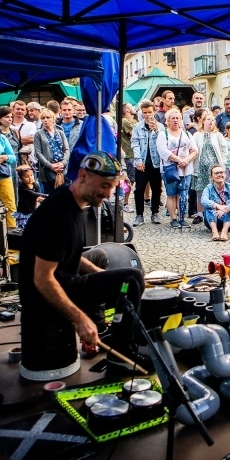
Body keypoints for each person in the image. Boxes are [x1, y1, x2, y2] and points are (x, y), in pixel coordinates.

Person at [18, 151, 148, 374]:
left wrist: (98, 273)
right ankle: (123, 353)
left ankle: (113, 331)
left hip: (65, 278)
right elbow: (42, 279)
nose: (108, 194)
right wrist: (80, 319)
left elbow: (66, 252)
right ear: (83, 175)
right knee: (132, 279)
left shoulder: (71, 200)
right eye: (104, 185)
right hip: (44, 295)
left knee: (105, 263)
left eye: (112, 187)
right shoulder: (59, 214)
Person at [157, 109, 198, 229]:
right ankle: (173, 218)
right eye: (173, 118)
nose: (175, 120)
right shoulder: (163, 134)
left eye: (177, 118)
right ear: (167, 120)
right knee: (171, 194)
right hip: (170, 169)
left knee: (183, 194)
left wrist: (187, 160)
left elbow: (194, 150)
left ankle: (182, 218)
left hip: (186, 169)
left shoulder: (187, 134)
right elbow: (163, 151)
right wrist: (179, 160)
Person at [131, 99, 165, 227]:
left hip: (156, 163)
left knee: (157, 189)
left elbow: (164, 143)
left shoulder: (160, 126)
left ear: (154, 112)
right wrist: (138, 160)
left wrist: (157, 131)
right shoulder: (137, 127)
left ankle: (154, 212)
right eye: (144, 112)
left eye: (149, 112)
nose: (147, 115)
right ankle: (139, 215)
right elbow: (135, 143)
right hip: (142, 162)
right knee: (139, 189)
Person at [192, 110, 228, 224]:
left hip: (214, 167)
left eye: (212, 120)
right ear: (203, 121)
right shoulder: (197, 135)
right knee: (200, 192)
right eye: (208, 119)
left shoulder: (218, 135)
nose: (211, 122)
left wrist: (223, 164)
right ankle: (200, 214)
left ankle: (214, 213)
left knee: (215, 190)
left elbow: (224, 150)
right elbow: (193, 149)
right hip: (201, 168)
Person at [33, 109, 70, 194]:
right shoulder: (38, 134)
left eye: (48, 117)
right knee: (49, 195)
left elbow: (66, 149)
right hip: (47, 170)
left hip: (62, 168)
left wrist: (63, 163)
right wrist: (50, 166)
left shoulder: (60, 132)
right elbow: (38, 153)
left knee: (64, 195)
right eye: (43, 118)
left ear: (53, 119)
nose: (45, 120)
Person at [200, 164, 230, 241]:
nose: (219, 175)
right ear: (211, 177)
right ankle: (214, 231)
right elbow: (203, 200)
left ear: (225, 175)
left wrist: (224, 209)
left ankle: (224, 232)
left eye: (221, 172)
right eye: (216, 173)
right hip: (213, 219)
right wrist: (217, 206)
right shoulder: (208, 188)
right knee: (208, 204)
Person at [14, 165, 44, 230]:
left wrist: (39, 199)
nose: (30, 178)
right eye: (27, 177)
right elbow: (33, 194)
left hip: (32, 211)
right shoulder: (22, 186)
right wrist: (47, 195)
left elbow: (38, 196)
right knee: (24, 229)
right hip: (23, 212)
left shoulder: (36, 185)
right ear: (21, 178)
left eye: (31, 175)